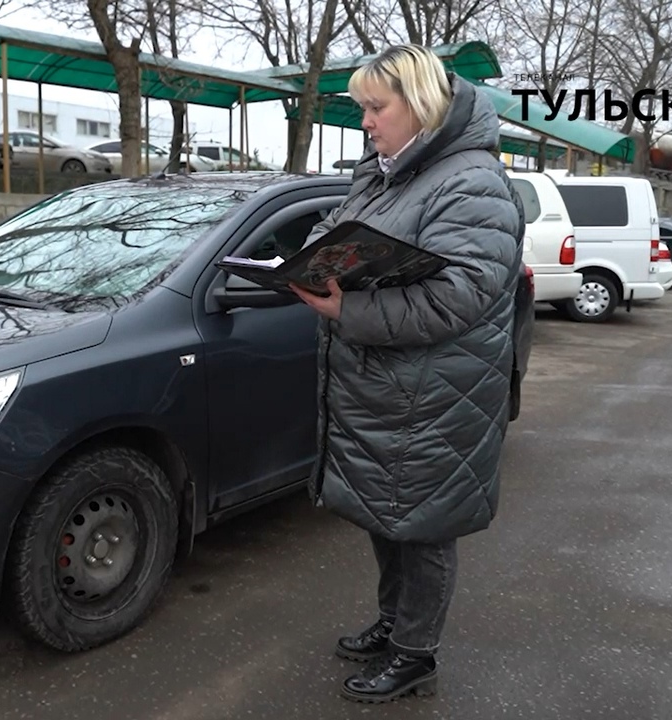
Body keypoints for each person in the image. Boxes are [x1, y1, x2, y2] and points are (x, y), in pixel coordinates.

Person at [287, 44, 526, 704]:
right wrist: (306, 263)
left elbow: (459, 296)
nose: (364, 121)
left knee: (422, 529)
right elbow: (340, 232)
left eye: (374, 107)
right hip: (386, 388)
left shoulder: (470, 182)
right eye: (362, 107)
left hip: (436, 396)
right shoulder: (389, 173)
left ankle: (415, 654)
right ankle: (395, 624)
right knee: (386, 518)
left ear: (420, 106)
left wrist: (348, 308)